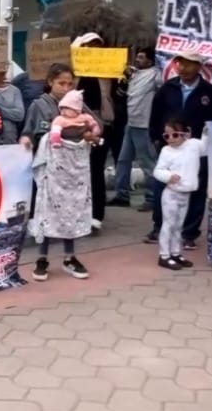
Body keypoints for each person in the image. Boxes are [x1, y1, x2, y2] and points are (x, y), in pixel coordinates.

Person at [146, 52, 212, 248]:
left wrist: (210, 147)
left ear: (199, 67)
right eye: (180, 63)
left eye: (190, 64)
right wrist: (157, 139)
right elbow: (156, 116)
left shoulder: (209, 93)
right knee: (162, 185)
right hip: (170, 146)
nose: (184, 68)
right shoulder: (167, 88)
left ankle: (189, 233)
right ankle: (159, 227)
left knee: (195, 188)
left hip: (196, 150)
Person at [24, 66, 95, 281]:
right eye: (60, 83)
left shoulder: (79, 104)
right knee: (47, 211)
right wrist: (26, 139)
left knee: (70, 210)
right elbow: (28, 130)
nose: (65, 88)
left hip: (73, 170)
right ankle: (42, 258)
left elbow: (95, 125)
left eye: (69, 84)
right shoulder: (39, 105)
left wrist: (90, 134)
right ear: (50, 82)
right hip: (50, 169)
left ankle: (69, 257)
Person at [72, 32, 117, 231]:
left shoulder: (108, 70)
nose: (94, 50)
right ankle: (76, 212)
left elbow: (117, 96)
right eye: (90, 46)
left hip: (101, 124)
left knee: (96, 169)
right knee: (76, 170)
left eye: (98, 46)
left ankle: (96, 214)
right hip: (74, 125)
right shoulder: (73, 71)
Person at [153, 116, 206, 270]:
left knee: (179, 225)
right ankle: (164, 255)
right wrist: (169, 177)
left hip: (186, 193)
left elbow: (206, 146)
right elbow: (158, 170)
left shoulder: (194, 145)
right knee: (168, 224)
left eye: (174, 134)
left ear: (185, 133)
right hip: (171, 193)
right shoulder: (166, 151)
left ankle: (175, 253)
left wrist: (208, 131)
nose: (170, 138)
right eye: (166, 135)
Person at [111, 47, 160, 211]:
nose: (137, 59)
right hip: (131, 123)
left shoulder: (154, 74)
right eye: (137, 57)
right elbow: (121, 93)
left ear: (150, 61)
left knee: (147, 163)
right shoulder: (133, 74)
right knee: (123, 160)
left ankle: (152, 198)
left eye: (141, 57)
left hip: (144, 125)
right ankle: (122, 195)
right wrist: (125, 77)